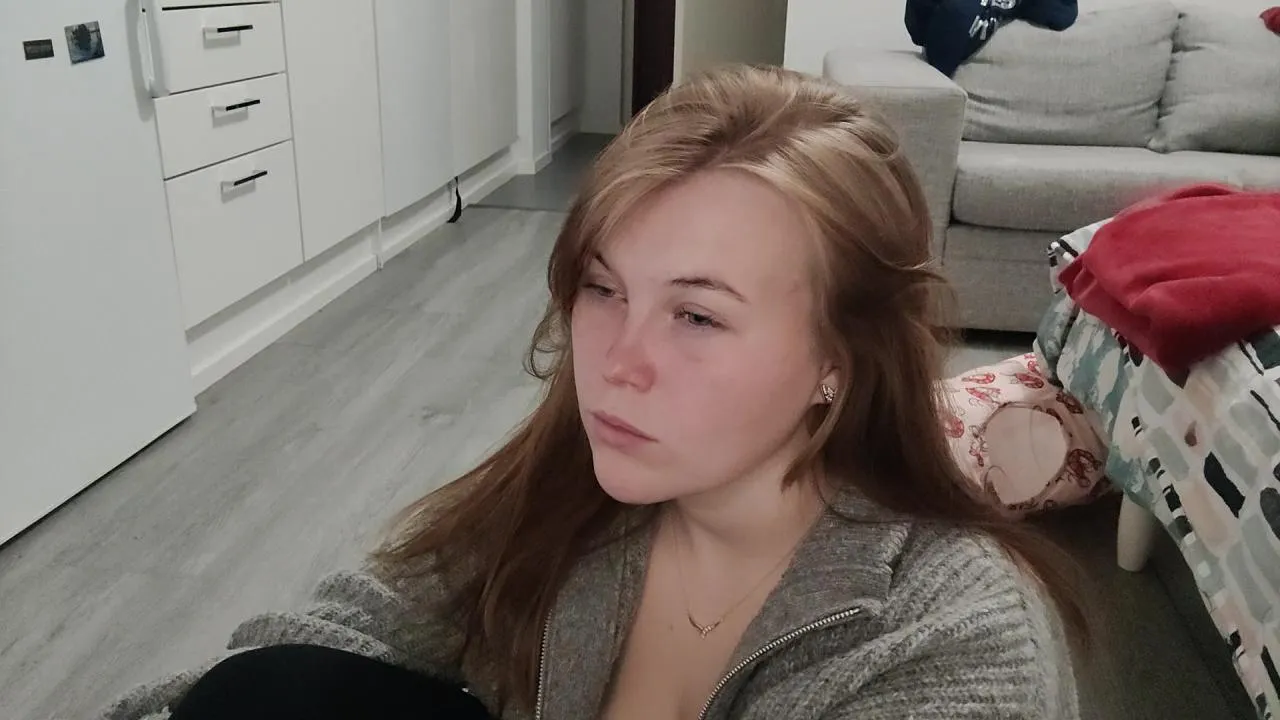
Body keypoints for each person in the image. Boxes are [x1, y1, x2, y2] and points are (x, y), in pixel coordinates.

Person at [96, 65, 1086, 720]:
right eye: (603, 290)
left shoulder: (948, 638)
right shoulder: (574, 492)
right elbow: (326, 639)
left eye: (696, 315)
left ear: (840, 357)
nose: (616, 361)